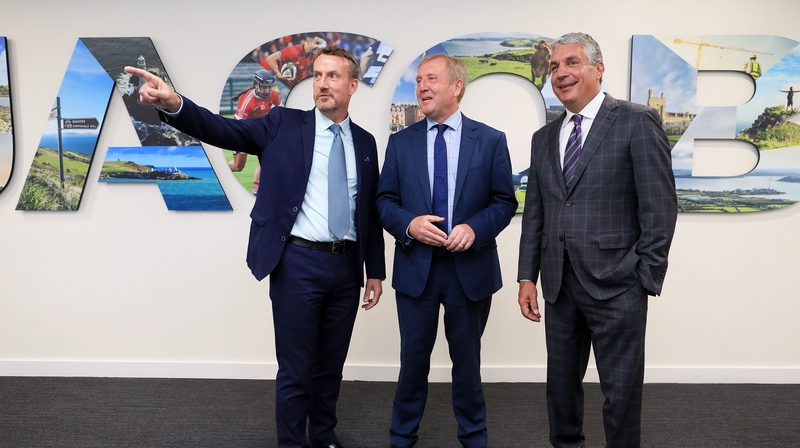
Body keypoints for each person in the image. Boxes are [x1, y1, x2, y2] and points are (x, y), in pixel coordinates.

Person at [125, 46, 386, 448]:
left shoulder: (365, 143)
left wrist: (376, 270)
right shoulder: (282, 123)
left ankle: (324, 436)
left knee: (330, 366)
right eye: (317, 75)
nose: (322, 83)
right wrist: (174, 103)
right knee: (296, 369)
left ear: (353, 86)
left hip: (347, 268)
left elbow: (367, 210)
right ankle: (290, 444)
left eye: (333, 76)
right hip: (297, 262)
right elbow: (224, 130)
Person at [517, 32, 677, 447]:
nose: (561, 73)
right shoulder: (544, 138)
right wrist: (526, 277)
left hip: (619, 286)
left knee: (620, 395)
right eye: (554, 67)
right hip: (558, 285)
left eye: (571, 63)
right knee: (560, 391)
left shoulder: (636, 121)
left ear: (598, 69)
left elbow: (659, 208)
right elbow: (536, 213)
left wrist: (645, 276)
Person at [375, 54, 516, 448]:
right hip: (416, 270)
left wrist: (475, 228)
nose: (422, 86)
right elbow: (383, 201)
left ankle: (473, 438)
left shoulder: (490, 140)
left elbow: (505, 202)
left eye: (431, 79)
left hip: (469, 272)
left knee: (468, 365)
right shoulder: (400, 143)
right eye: (419, 80)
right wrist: (409, 224)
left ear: (456, 86)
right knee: (412, 365)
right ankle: (401, 438)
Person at [229, 69, 283, 195]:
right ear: (257, 86)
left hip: (260, 131)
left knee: (266, 158)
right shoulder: (247, 100)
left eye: (269, 87)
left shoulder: (273, 95)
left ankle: (256, 191)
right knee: (238, 167)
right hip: (242, 133)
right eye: (264, 87)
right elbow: (237, 124)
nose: (268, 90)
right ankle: (219, 171)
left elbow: (282, 111)